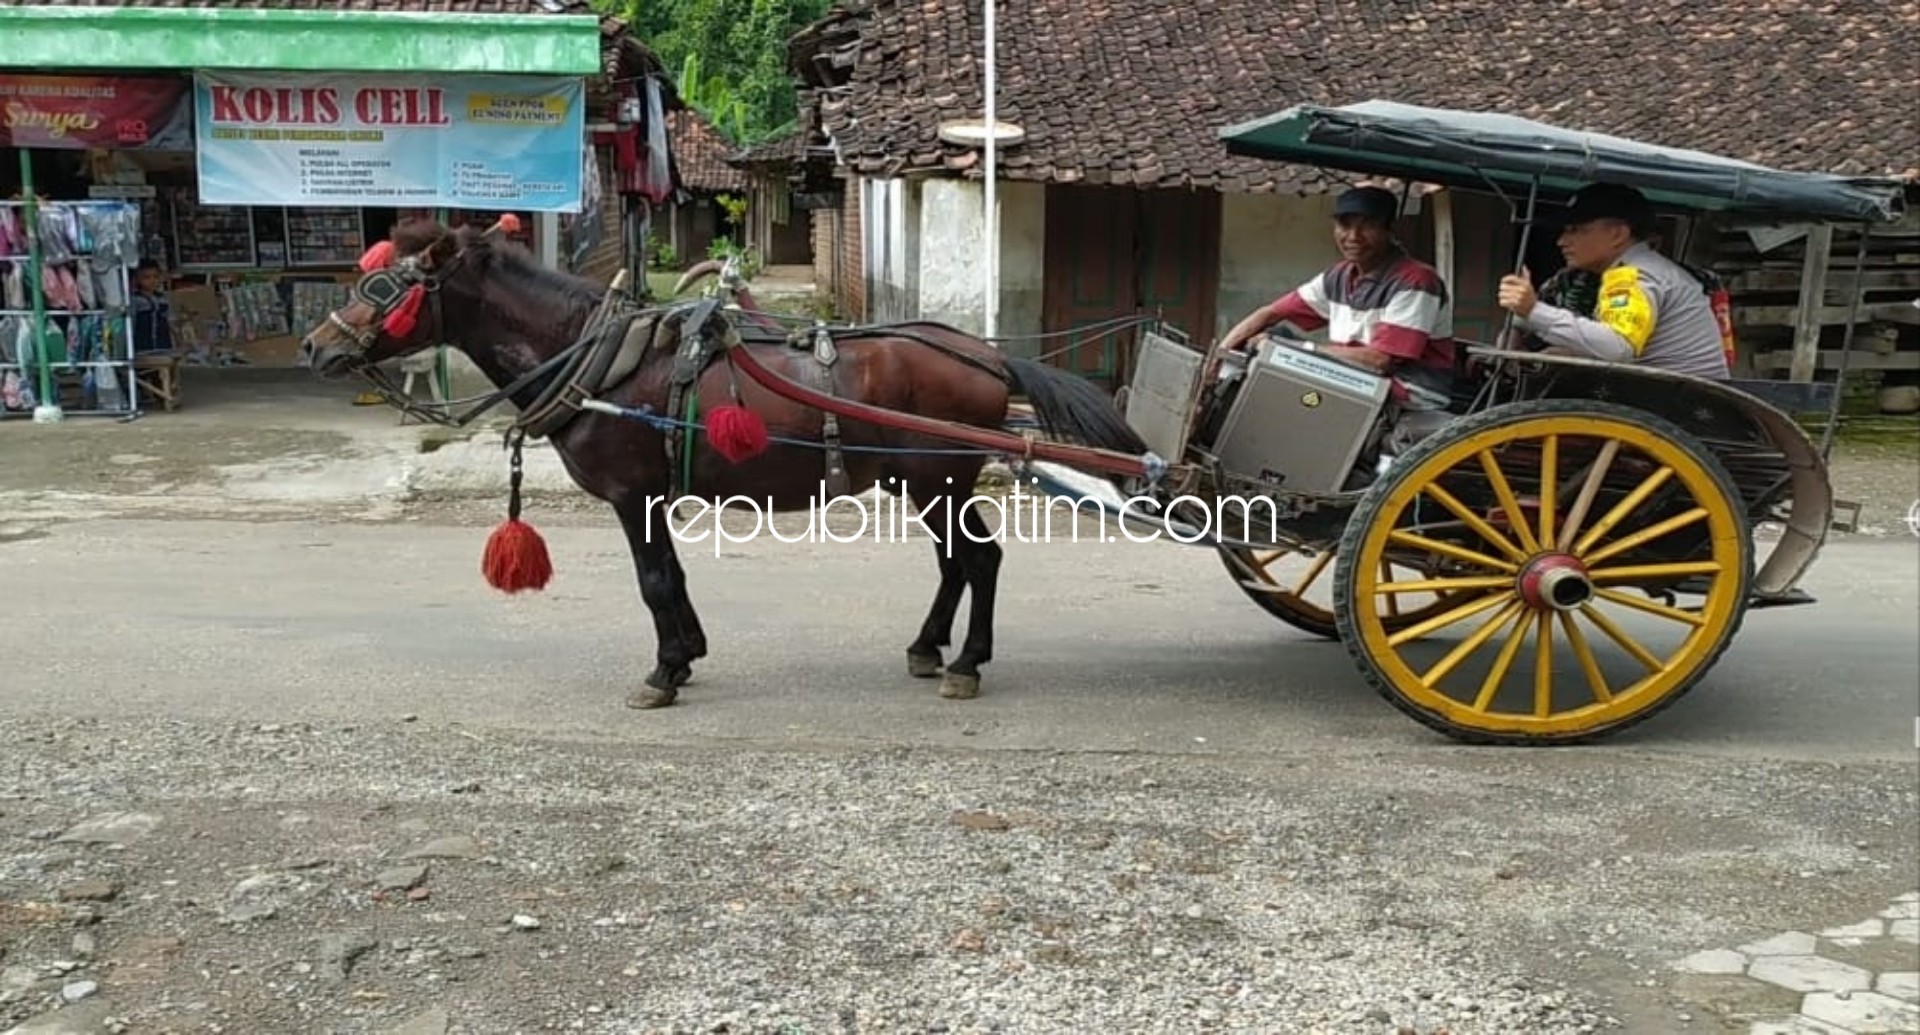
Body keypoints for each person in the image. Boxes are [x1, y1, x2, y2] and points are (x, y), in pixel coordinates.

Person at [1213, 185, 1457, 411]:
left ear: (1389, 229)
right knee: (1264, 349)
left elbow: (1379, 360)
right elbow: (1270, 313)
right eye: (1344, 224)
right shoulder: (1339, 275)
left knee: (1295, 393)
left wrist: (1298, 350)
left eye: (1367, 225)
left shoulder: (1416, 280)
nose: (1353, 236)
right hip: (1353, 377)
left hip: (1407, 389)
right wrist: (1219, 357)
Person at [1497, 184, 1731, 379]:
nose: (1561, 241)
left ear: (1618, 234)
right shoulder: (1628, 270)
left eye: (1576, 230)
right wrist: (1522, 325)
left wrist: (1534, 311)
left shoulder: (1635, 276)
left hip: (1671, 405)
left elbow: (1616, 348)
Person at [129, 260, 175, 355]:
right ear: (136, 279)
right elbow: (132, 323)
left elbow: (169, 321)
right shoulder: (135, 300)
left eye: (156, 277)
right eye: (146, 277)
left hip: (163, 345)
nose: (152, 281)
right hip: (143, 346)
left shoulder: (162, 298)